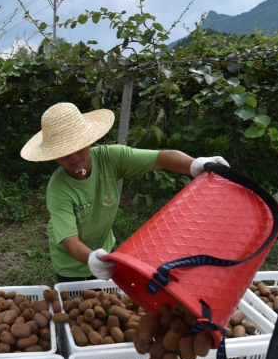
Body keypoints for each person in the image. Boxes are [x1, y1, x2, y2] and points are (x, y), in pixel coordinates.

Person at [20, 102, 229, 283]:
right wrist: (92, 259)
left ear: (88, 140)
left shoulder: (110, 158)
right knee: (76, 304)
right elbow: (70, 241)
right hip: (70, 263)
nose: (73, 156)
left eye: (78, 146)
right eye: (63, 152)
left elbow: (161, 158)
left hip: (105, 249)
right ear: (53, 155)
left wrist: (196, 164)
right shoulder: (58, 189)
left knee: (101, 304)